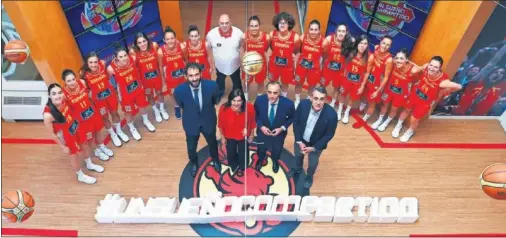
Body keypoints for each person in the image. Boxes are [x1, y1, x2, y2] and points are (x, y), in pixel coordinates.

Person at [396, 56, 462, 142]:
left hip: (424, 103)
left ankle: (410, 132)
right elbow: (416, 70)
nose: (432, 68)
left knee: (414, 119)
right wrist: (418, 68)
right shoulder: (426, 67)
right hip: (414, 95)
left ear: (439, 68)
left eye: (435, 67)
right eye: (431, 65)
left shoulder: (443, 80)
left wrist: (446, 90)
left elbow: (459, 86)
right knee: (405, 110)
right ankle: (398, 125)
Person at [43, 83, 97, 184]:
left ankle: (89, 164)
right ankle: (80, 175)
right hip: (66, 136)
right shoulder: (48, 115)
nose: (58, 96)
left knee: (85, 145)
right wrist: (62, 146)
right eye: (54, 94)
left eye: (59, 92)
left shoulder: (64, 100)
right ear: (49, 96)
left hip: (75, 127)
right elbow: (52, 134)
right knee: (74, 156)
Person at [174, 62, 222, 177]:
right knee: (191, 147)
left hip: (208, 120)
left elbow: (215, 100)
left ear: (201, 74)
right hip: (191, 123)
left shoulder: (212, 86)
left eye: (196, 74)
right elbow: (182, 105)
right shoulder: (179, 91)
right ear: (186, 77)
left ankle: (215, 159)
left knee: (212, 143)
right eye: (191, 76)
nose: (194, 78)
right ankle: (194, 163)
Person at [290, 86, 338, 188]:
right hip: (300, 140)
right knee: (298, 157)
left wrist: (315, 147)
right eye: (316, 98)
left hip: (315, 145)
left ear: (325, 100)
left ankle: (309, 176)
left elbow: (329, 134)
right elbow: (296, 122)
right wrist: (298, 141)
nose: (318, 102)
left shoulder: (332, 115)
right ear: (311, 98)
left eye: (321, 99)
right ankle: (298, 169)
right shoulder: (302, 105)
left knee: (312, 164)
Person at [62, 69, 112, 164]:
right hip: (82, 120)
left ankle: (102, 146)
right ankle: (96, 151)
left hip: (92, 113)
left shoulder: (82, 82)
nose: (72, 82)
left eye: (73, 79)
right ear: (64, 82)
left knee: (99, 131)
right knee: (90, 138)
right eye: (69, 81)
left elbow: (90, 95)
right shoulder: (64, 94)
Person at [107, 46, 156, 141]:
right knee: (128, 112)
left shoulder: (133, 58)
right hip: (125, 95)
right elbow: (108, 81)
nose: (124, 58)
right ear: (116, 58)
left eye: (125, 55)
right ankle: (132, 128)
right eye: (120, 57)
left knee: (142, 106)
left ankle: (146, 121)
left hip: (137, 89)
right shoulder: (111, 68)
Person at [80, 52, 125, 147]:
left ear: (98, 61)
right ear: (87, 63)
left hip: (110, 95)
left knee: (115, 113)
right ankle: (112, 134)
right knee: (105, 118)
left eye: (95, 62)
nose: (93, 64)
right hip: (99, 100)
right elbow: (85, 89)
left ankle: (119, 131)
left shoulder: (103, 64)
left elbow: (108, 77)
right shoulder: (83, 73)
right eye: (91, 62)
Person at [373, 49, 422, 131]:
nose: (398, 60)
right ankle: (380, 120)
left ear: (406, 60)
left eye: (401, 58)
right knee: (384, 105)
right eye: (397, 58)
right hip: (389, 89)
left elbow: (423, 71)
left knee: (394, 109)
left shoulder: (412, 70)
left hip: (401, 93)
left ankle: (387, 122)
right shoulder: (393, 63)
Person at [254, 81, 295, 172]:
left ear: (280, 92)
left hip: (279, 135)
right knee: (261, 149)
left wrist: (282, 128)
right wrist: (261, 126)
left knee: (277, 150)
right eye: (269, 92)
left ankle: (275, 161)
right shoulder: (259, 100)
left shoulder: (288, 104)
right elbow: (255, 115)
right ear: (266, 91)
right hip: (262, 133)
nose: (272, 96)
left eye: (275, 93)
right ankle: (260, 160)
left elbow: (292, 117)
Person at [130, 32, 170, 123]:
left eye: (144, 41)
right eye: (139, 43)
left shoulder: (154, 45)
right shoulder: (134, 52)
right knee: (150, 96)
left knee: (159, 93)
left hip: (156, 76)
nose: (142, 44)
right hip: (145, 80)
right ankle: (156, 111)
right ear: (136, 44)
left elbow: (161, 58)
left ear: (147, 41)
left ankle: (162, 109)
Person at [206, 14, 244, 99]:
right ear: (218, 23)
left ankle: (237, 94)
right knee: (219, 82)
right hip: (220, 66)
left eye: (226, 23)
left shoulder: (239, 33)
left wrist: (243, 63)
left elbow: (242, 48)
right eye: (222, 23)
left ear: (230, 22)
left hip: (235, 66)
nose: (224, 25)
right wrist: (211, 64)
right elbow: (208, 49)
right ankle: (219, 93)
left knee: (237, 82)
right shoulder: (211, 35)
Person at [218, 89, 256, 174]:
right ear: (230, 100)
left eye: (239, 101)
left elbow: (252, 121)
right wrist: (223, 137)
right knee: (231, 154)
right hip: (229, 136)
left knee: (243, 155)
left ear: (243, 101)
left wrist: (251, 135)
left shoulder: (249, 107)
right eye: (234, 100)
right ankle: (234, 165)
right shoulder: (223, 109)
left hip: (244, 136)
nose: (236, 103)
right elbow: (220, 124)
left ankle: (242, 166)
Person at [359, 36, 394, 122]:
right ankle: (361, 108)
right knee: (364, 95)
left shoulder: (389, 60)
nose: (385, 46)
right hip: (368, 78)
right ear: (380, 42)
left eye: (388, 45)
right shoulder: (376, 47)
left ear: (390, 47)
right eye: (384, 43)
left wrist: (378, 91)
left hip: (376, 84)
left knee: (372, 103)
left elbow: (386, 77)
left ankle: (364, 119)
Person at [294, 19, 327, 108]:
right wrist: (295, 64)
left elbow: (325, 55)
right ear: (308, 30)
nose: (313, 32)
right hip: (301, 66)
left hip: (314, 69)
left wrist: (319, 64)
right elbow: (297, 51)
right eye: (311, 29)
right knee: (298, 83)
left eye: (315, 29)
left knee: (312, 86)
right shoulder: (302, 37)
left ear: (319, 30)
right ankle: (297, 100)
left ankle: (309, 100)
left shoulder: (324, 42)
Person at [158, 26, 188, 120]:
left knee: (185, 92)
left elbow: (186, 61)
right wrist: (163, 83)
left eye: (172, 38)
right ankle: (176, 107)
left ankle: (186, 107)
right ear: (164, 40)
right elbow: (160, 67)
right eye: (167, 39)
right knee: (172, 94)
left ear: (175, 38)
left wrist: (188, 74)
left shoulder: (182, 47)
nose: (170, 41)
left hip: (182, 76)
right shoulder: (160, 51)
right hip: (170, 79)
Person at [269, 11, 301, 98]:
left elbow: (297, 51)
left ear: (289, 24)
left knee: (285, 83)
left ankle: (283, 98)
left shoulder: (295, 37)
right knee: (273, 82)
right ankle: (272, 97)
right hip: (274, 65)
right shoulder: (272, 34)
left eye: (285, 22)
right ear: (277, 23)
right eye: (280, 22)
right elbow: (272, 48)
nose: (282, 25)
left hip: (287, 66)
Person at [339, 34, 369, 123]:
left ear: (367, 45)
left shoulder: (368, 57)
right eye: (360, 43)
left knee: (352, 98)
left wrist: (362, 86)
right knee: (342, 94)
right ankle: (339, 110)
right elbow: (344, 43)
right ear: (357, 43)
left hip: (357, 82)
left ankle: (346, 112)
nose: (362, 46)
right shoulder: (351, 51)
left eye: (365, 43)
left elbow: (367, 73)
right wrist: (351, 39)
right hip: (346, 79)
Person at [241, 15, 270, 98]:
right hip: (248, 65)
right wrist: (243, 65)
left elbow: (266, 51)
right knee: (246, 82)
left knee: (260, 82)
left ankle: (259, 98)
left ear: (259, 26)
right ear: (248, 26)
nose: (254, 28)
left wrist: (268, 67)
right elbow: (242, 51)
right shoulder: (244, 37)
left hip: (261, 65)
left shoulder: (266, 37)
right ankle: (245, 98)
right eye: (251, 26)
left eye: (256, 26)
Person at [322, 23, 348, 108]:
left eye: (343, 31)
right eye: (339, 31)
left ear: (346, 33)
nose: (341, 33)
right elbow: (322, 53)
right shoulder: (329, 39)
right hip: (327, 69)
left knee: (336, 88)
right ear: (336, 31)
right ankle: (318, 98)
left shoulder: (348, 43)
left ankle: (332, 103)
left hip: (339, 71)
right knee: (322, 84)